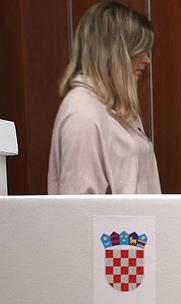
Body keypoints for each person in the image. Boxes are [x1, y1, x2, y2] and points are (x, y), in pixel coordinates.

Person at [48, 2, 161, 195]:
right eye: (139, 49)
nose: (146, 59)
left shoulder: (117, 110)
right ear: (115, 52)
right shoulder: (83, 113)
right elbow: (79, 207)